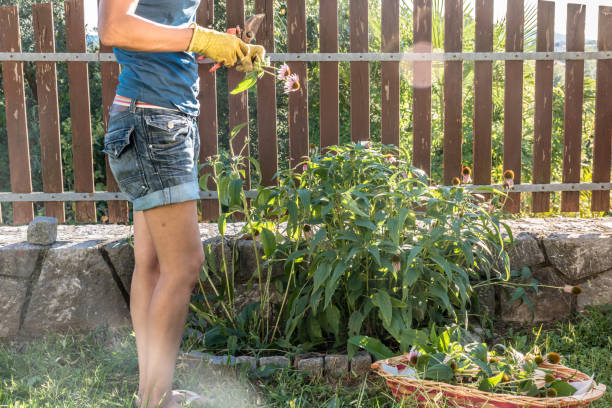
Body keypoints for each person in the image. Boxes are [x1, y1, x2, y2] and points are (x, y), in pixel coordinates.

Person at [98, 1, 265, 407]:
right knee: (185, 265)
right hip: (154, 121)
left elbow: (160, 29)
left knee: (153, 266)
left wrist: (220, 44)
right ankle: (155, 401)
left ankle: (152, 396)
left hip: (164, 117)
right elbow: (114, 28)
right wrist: (199, 38)